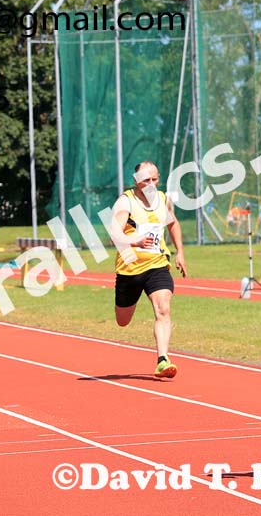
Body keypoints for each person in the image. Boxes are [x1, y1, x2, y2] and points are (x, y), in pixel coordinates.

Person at [110, 161, 187, 378]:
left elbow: (172, 223)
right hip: (129, 269)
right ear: (136, 180)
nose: (151, 184)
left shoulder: (163, 199)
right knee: (122, 321)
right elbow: (114, 233)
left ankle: (162, 360)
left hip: (157, 264)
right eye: (146, 180)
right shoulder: (126, 202)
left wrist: (180, 251)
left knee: (163, 308)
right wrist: (134, 242)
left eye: (155, 179)